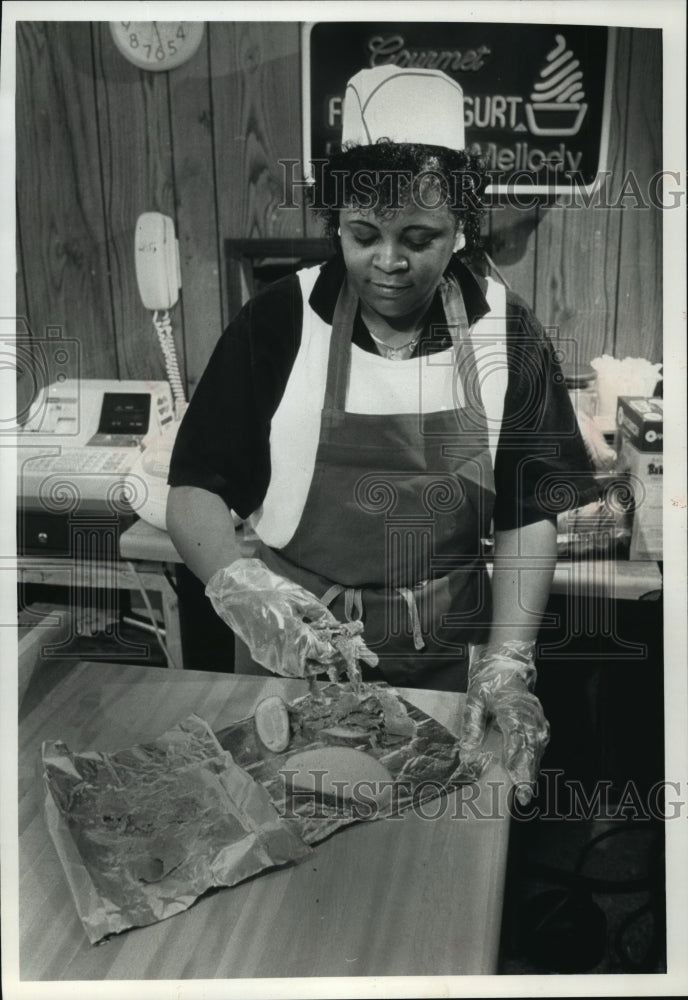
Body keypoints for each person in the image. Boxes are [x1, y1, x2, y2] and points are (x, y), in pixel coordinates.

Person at [166, 65, 599, 802]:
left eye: (419, 237)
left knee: (434, 875)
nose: (388, 262)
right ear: (336, 222)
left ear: (461, 229)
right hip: (298, 654)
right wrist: (244, 592)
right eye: (363, 234)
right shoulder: (279, 321)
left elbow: (527, 516)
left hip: (450, 664)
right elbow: (193, 491)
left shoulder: (504, 330)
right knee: (285, 856)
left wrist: (507, 663)